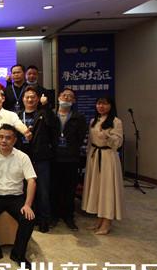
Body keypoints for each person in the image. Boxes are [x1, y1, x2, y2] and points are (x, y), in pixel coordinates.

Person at [0, 124, 37, 269]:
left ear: (14, 140)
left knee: (28, 219)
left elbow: (31, 181)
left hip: (15, 197)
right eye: (1, 137)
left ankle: (18, 254)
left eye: (8, 138)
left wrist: (27, 205)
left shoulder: (22, 157)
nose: (3, 140)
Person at [17, 86, 57, 233]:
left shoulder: (44, 113)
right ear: (22, 99)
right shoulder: (17, 115)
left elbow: (53, 125)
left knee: (43, 190)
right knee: (24, 189)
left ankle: (44, 220)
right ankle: (28, 219)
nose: (29, 99)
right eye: (27, 97)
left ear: (38, 99)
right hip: (22, 158)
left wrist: (46, 106)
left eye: (33, 97)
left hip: (41, 157)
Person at [81, 97, 124, 235]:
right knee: (97, 188)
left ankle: (107, 223)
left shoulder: (116, 121)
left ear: (111, 106)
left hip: (108, 158)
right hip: (94, 156)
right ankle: (99, 220)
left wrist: (107, 136)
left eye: (105, 104)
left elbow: (118, 142)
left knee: (107, 189)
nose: (101, 106)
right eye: (99, 103)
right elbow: (90, 141)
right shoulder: (93, 121)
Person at [50, 88, 87, 231]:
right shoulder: (51, 115)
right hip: (54, 157)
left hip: (71, 158)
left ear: (74, 100)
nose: (66, 98)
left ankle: (68, 216)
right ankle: (54, 215)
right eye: (64, 95)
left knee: (70, 188)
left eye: (70, 96)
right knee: (54, 188)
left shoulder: (79, 117)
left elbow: (81, 137)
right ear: (59, 97)